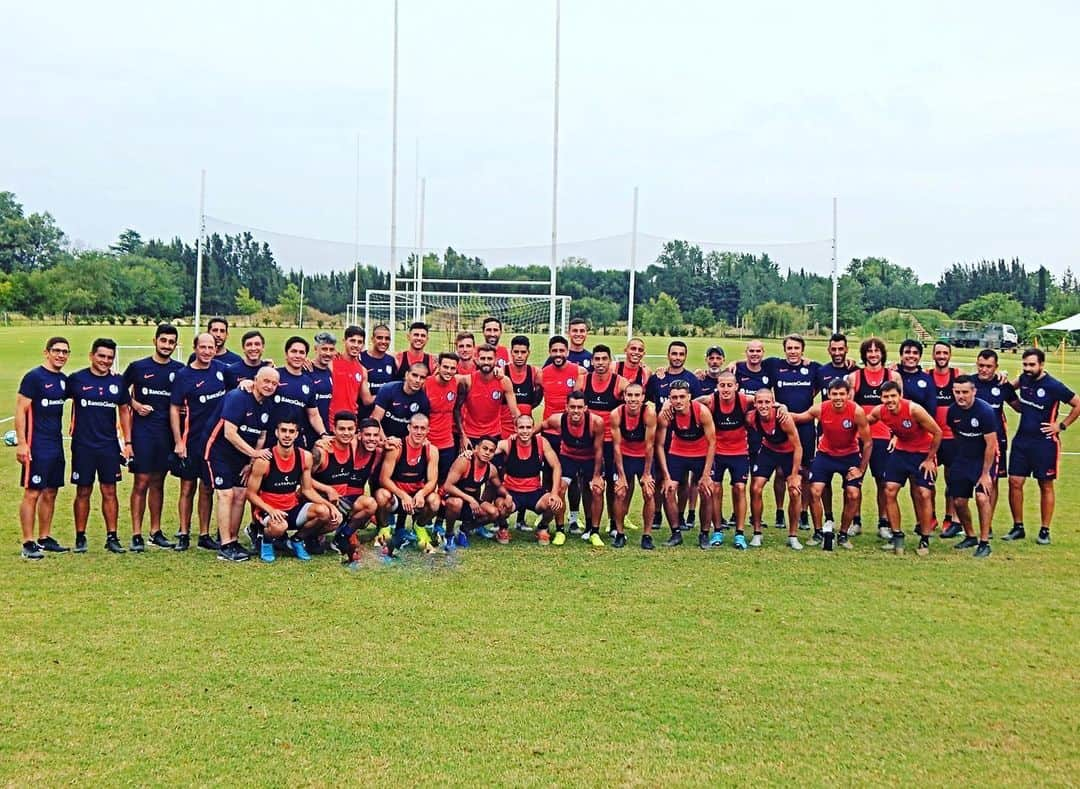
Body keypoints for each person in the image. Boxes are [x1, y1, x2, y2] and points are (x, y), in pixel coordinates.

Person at [1003, 347, 1079, 546]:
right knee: (1015, 482)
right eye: (1025, 364)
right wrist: (1003, 379)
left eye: (1032, 365)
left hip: (1044, 443)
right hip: (1021, 441)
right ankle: (1017, 527)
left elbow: (1078, 404)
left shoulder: (1054, 385)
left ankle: (1045, 530)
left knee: (1045, 484)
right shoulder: (1024, 379)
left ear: (1041, 365)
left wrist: (1060, 426)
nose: (1027, 368)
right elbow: (1009, 390)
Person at [204, 366, 279, 562]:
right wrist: (254, 453)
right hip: (219, 452)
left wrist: (251, 461)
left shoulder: (268, 404)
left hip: (242, 456)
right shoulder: (238, 397)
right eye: (266, 381)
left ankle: (233, 539)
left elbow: (261, 435)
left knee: (240, 495)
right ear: (255, 380)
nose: (269, 386)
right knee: (226, 494)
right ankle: (225, 545)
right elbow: (229, 433)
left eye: (274, 383)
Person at [68, 338, 133, 554]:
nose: (105, 361)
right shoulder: (76, 379)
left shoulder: (117, 382)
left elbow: (124, 410)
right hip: (83, 445)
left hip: (108, 446)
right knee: (83, 490)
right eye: (101, 356)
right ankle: (80, 536)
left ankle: (112, 537)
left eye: (109, 357)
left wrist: (128, 442)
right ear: (91, 356)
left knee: (109, 490)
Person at [791, 378, 873, 549]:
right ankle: (819, 532)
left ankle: (843, 534)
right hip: (825, 455)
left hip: (849, 456)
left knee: (853, 494)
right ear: (828, 394)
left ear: (848, 395)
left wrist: (861, 469)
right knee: (815, 491)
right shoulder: (820, 408)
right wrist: (779, 409)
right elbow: (799, 417)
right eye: (834, 394)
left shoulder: (856, 412)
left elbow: (868, 443)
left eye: (842, 394)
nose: (838, 398)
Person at [123, 323, 184, 551]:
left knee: (159, 482)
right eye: (163, 340)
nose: (167, 345)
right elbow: (119, 391)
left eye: (171, 342)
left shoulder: (179, 369)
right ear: (155, 341)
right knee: (141, 482)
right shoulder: (138, 367)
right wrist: (135, 404)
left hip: (166, 435)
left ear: (175, 344)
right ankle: (136, 534)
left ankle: (155, 531)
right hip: (143, 434)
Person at [246, 417, 338, 562]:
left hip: (292, 507)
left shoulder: (305, 456)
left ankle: (296, 540)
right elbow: (250, 494)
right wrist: (270, 510)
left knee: (325, 513)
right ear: (276, 433)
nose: (287, 435)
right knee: (280, 526)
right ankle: (266, 542)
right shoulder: (264, 460)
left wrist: (330, 505)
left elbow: (307, 490)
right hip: (269, 510)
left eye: (291, 431)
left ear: (296, 434)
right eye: (283, 431)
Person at [867, 381, 942, 556]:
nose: (890, 400)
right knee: (889, 491)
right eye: (886, 397)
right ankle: (897, 535)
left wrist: (930, 459)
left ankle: (924, 537)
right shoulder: (880, 411)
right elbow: (864, 421)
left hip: (922, 454)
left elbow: (937, 432)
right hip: (901, 453)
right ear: (881, 398)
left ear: (900, 395)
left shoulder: (914, 410)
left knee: (924, 493)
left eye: (893, 396)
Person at [170, 333, 230, 551]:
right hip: (191, 440)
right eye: (202, 347)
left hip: (214, 443)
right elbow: (175, 408)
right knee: (187, 488)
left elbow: (244, 377)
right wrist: (178, 441)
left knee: (207, 488)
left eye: (210, 347)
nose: (207, 351)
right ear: (195, 348)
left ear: (216, 348)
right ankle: (183, 533)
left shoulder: (222, 369)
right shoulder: (183, 375)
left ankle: (204, 534)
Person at [15, 336, 72, 558]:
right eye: (56, 350)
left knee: (51, 491)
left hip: (55, 445)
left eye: (65, 352)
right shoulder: (34, 378)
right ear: (46, 352)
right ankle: (27, 542)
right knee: (33, 492)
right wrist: (22, 443)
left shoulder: (64, 380)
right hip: (36, 445)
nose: (61, 355)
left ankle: (44, 537)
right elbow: (20, 410)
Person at [761, 334, 819, 533]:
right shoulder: (774, 365)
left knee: (804, 471)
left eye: (797, 348)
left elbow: (831, 377)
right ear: (784, 349)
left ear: (803, 350)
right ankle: (779, 510)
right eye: (789, 348)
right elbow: (749, 363)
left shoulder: (813, 368)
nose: (793, 351)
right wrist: (734, 362)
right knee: (779, 472)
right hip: (781, 424)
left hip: (805, 427)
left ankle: (802, 512)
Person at [646, 341, 702, 531]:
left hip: (683, 437)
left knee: (683, 480)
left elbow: (696, 405)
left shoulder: (692, 380)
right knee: (660, 477)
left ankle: (679, 514)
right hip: (662, 435)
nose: (677, 357)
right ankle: (657, 514)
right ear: (668, 355)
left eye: (681, 354)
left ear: (685, 356)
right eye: (674, 353)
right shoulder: (657, 378)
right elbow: (647, 402)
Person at [655, 379, 716, 548]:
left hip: (701, 452)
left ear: (689, 397)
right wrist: (666, 477)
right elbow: (659, 445)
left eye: (682, 397)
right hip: (678, 452)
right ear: (669, 398)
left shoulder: (701, 412)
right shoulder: (666, 414)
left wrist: (705, 475)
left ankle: (704, 534)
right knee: (668, 490)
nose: (678, 401)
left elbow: (712, 442)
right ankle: (676, 533)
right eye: (674, 397)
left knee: (706, 490)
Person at [539, 392, 606, 547]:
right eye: (572, 407)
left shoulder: (596, 422)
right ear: (566, 408)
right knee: (560, 489)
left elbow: (598, 451)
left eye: (579, 407)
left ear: (586, 408)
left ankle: (593, 531)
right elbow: (541, 426)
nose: (576, 410)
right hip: (568, 457)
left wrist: (597, 475)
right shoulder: (558, 419)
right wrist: (521, 438)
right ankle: (560, 530)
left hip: (589, 459)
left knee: (596, 490)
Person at [313, 416, 384, 561]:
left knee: (370, 505)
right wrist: (321, 442)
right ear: (359, 434)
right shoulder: (348, 446)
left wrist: (393, 441)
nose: (372, 438)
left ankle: (342, 537)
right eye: (367, 434)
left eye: (375, 435)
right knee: (330, 516)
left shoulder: (378, 453)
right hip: (332, 499)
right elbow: (306, 478)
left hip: (353, 502)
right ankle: (311, 536)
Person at [946, 376, 1001, 558]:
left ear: (973, 392)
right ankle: (970, 536)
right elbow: (956, 434)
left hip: (984, 459)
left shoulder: (985, 411)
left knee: (981, 497)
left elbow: (991, 444)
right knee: (959, 502)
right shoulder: (952, 412)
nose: (961, 396)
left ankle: (985, 542)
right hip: (963, 458)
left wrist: (985, 474)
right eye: (957, 392)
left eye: (965, 392)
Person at [576, 344, 628, 536]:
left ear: (610, 361)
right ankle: (591, 524)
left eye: (604, 359)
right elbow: (574, 407)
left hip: (611, 443)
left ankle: (614, 524)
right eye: (596, 359)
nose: (600, 363)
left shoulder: (620, 383)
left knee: (611, 485)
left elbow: (634, 403)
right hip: (589, 442)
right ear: (592, 361)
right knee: (588, 484)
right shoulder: (582, 381)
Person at [698, 372, 752, 548]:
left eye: (730, 385)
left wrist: (779, 406)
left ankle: (740, 533)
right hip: (717, 453)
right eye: (722, 385)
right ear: (717, 386)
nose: (726, 389)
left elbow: (763, 399)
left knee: (740, 488)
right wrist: (669, 405)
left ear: (736, 386)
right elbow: (692, 403)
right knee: (715, 489)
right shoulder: (711, 400)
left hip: (739, 452)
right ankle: (718, 531)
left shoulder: (744, 400)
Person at [746, 387, 804, 550]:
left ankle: (793, 535)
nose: (763, 406)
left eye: (767, 402)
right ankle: (757, 533)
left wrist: (794, 475)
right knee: (755, 488)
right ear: (755, 404)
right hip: (768, 451)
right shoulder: (751, 418)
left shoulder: (783, 418)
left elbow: (798, 447)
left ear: (773, 403)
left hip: (788, 452)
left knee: (794, 491)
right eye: (760, 402)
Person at [375, 413, 441, 554]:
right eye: (415, 427)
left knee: (435, 501)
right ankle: (385, 528)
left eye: (422, 428)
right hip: (398, 497)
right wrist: (403, 495)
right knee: (381, 495)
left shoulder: (432, 451)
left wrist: (422, 493)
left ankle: (419, 527)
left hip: (417, 497)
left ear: (428, 430)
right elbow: (384, 478)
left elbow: (432, 480)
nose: (418, 432)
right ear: (409, 428)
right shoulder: (397, 448)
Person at [496, 414, 564, 545]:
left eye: (528, 427)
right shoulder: (507, 444)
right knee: (501, 507)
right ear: (515, 428)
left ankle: (542, 527)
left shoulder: (541, 442)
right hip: (512, 493)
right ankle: (503, 527)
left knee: (555, 504)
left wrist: (555, 493)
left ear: (533, 429)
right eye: (521, 427)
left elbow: (556, 466)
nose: (525, 431)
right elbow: (487, 451)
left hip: (534, 493)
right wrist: (471, 453)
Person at [540, 335, 582, 527]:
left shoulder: (578, 371)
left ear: (567, 352)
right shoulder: (542, 374)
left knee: (573, 478)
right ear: (550, 352)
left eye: (561, 351)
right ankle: (547, 514)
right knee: (548, 475)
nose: (558, 354)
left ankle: (573, 517)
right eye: (554, 351)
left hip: (571, 434)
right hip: (549, 434)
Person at [812, 333, 853, 530]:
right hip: (825, 431)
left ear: (846, 349)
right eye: (833, 349)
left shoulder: (855, 370)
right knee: (823, 480)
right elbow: (810, 393)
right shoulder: (821, 371)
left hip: (850, 433)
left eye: (840, 349)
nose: (837, 352)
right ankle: (828, 517)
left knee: (852, 484)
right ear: (829, 350)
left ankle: (856, 520)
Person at [610, 383, 657, 549]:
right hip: (625, 457)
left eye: (637, 395)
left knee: (649, 492)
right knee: (620, 492)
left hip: (644, 457)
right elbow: (616, 447)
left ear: (643, 398)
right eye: (630, 395)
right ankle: (620, 533)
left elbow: (650, 445)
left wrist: (647, 474)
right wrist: (621, 476)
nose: (633, 399)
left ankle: (647, 535)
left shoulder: (649, 413)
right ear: (624, 397)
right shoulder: (616, 414)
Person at [442, 436, 514, 546]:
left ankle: (464, 529)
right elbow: (448, 486)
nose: (487, 453)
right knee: (456, 503)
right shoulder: (464, 461)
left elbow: (498, 486)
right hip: (451, 499)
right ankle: (449, 535)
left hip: (472, 501)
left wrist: (508, 495)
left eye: (491, 451)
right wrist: (469, 499)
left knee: (494, 513)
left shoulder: (491, 469)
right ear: (476, 448)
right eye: (484, 448)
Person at [972, 349, 1017, 514]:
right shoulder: (968, 383)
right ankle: (957, 522)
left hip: (996, 442)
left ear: (996, 367)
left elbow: (1018, 407)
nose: (984, 369)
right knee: (963, 479)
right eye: (981, 365)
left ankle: (987, 523)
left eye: (988, 366)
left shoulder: (1002, 385)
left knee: (992, 480)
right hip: (971, 441)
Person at [929, 341, 963, 538]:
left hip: (953, 438)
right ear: (933, 355)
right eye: (938, 353)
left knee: (952, 480)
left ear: (949, 355)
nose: (941, 356)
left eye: (945, 353)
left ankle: (949, 518)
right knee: (928, 480)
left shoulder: (957, 375)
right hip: (932, 437)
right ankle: (930, 516)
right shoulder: (926, 376)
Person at [457, 344, 519, 450]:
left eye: (489, 358)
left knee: (493, 466)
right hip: (471, 435)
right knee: (468, 466)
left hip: (493, 434)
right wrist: (463, 435)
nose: (486, 362)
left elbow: (515, 412)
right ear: (476, 359)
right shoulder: (468, 381)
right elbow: (456, 409)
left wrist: (519, 431)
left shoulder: (503, 381)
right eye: (483, 358)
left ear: (495, 360)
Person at [272, 336, 329, 448]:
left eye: (301, 352)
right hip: (272, 437)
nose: (297, 356)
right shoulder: (275, 375)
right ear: (286, 354)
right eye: (294, 351)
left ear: (306, 356)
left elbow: (313, 414)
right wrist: (247, 382)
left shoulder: (309, 382)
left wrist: (323, 434)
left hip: (295, 439)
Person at [329, 325, 374, 428]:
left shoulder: (362, 370)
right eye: (352, 341)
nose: (356, 345)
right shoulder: (331, 363)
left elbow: (367, 400)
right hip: (331, 423)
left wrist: (386, 391)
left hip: (350, 425)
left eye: (359, 342)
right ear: (344, 341)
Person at [371, 362, 431, 440]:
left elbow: (421, 427)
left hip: (404, 442)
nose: (418, 380)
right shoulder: (388, 389)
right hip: (383, 438)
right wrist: (386, 441)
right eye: (414, 375)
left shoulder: (423, 400)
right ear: (406, 375)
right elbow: (376, 419)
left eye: (422, 377)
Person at [500, 335, 543, 441]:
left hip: (524, 430)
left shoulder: (535, 373)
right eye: (516, 352)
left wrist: (526, 409)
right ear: (511, 353)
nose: (519, 356)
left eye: (523, 352)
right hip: (503, 429)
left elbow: (537, 399)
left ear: (529, 352)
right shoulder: (502, 372)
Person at [359, 324, 397, 418]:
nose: (384, 341)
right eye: (379, 338)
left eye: (387, 338)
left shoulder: (391, 360)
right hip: (363, 413)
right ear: (372, 339)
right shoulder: (360, 358)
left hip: (384, 415)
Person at [307, 332, 338, 447]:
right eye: (324, 349)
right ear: (316, 349)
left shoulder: (330, 371)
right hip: (307, 430)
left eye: (331, 349)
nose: (328, 353)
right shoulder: (306, 369)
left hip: (324, 431)